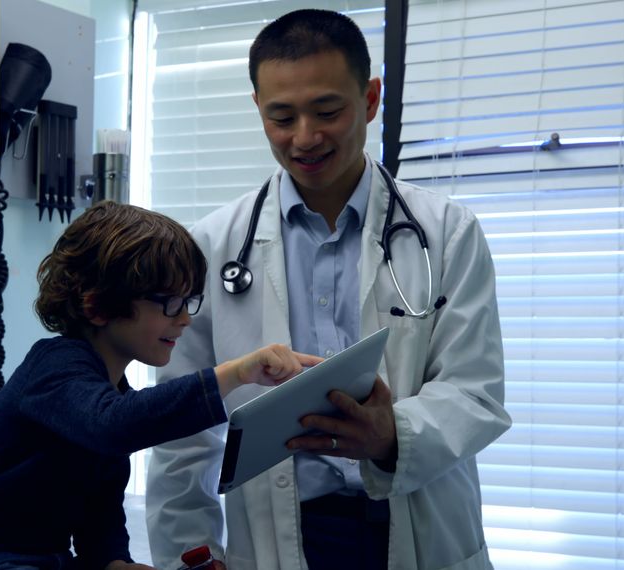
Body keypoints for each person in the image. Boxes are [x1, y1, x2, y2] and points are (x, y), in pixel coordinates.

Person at [144, 8, 512, 570]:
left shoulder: (448, 234)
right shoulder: (212, 247)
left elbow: (475, 393)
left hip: (414, 524)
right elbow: (183, 431)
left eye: (327, 111)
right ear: (258, 111)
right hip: (277, 535)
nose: (304, 138)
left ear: (369, 100)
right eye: (281, 117)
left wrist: (391, 435)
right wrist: (190, 557)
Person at [0, 201, 321, 570]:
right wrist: (235, 373)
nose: (185, 319)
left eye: (188, 301)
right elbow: (115, 425)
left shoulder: (108, 397)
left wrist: (114, 562)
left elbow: (99, 511)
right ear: (99, 305)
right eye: (170, 303)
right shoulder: (55, 368)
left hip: (40, 557)